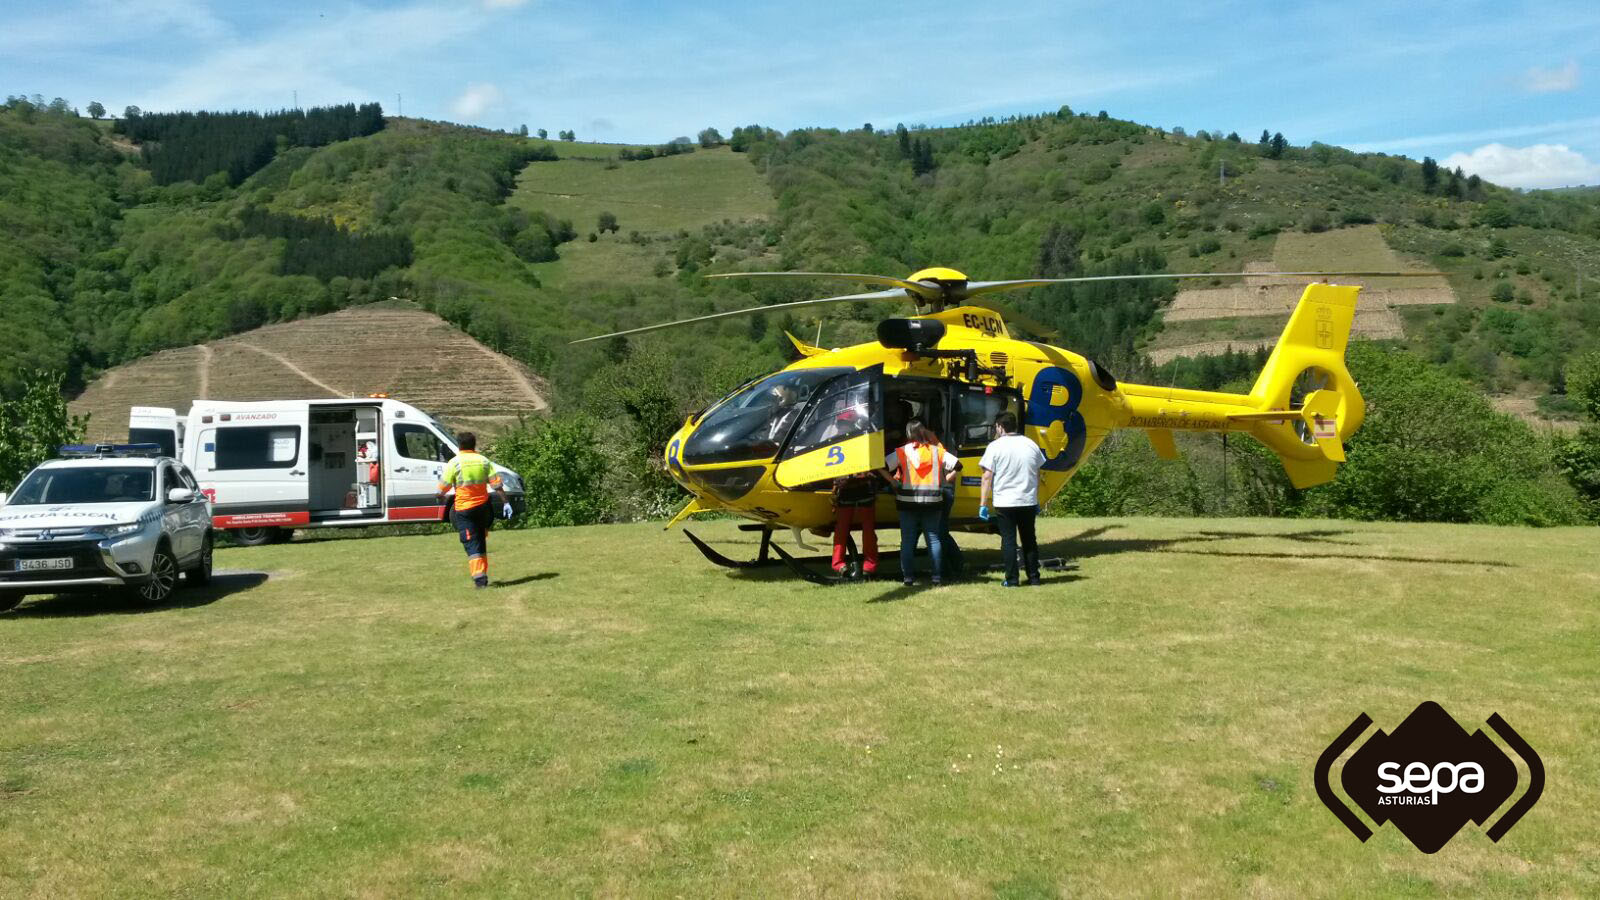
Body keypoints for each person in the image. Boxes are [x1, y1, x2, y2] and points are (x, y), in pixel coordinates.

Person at [881, 419, 960, 586]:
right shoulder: (936, 452)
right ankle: (937, 577)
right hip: (933, 502)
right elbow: (958, 465)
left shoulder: (902, 451)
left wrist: (892, 482)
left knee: (908, 540)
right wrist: (947, 477)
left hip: (907, 503)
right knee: (933, 539)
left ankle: (908, 577)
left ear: (909, 434)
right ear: (924, 433)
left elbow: (880, 465)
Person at [979, 411, 1047, 587]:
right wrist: (1036, 497)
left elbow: (987, 476)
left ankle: (1012, 579)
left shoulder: (995, 447)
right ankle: (1034, 577)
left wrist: (983, 504)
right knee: (1029, 540)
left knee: (1009, 541)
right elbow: (1037, 474)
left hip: (1005, 502)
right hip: (1027, 500)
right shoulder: (1031, 445)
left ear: (1000, 427)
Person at [437, 432, 511, 589]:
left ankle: (480, 580)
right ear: (474, 444)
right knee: (480, 541)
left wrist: (439, 496)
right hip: (483, 509)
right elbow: (497, 484)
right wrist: (506, 503)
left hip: (464, 510)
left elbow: (443, 487)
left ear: (459, 445)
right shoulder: (483, 461)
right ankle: (482, 575)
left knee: (471, 544)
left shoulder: (454, 463)